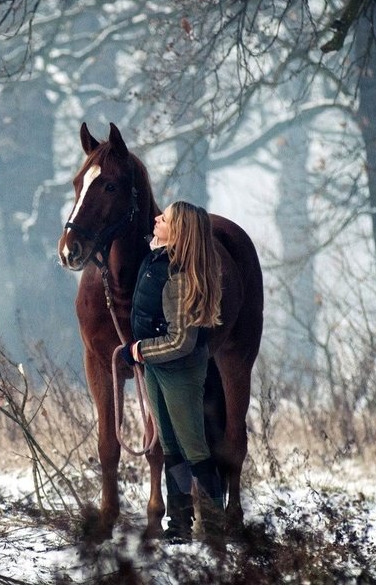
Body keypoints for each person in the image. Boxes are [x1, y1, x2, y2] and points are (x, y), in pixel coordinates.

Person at [120, 201, 224, 545]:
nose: (156, 219)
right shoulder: (157, 260)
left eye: (163, 219)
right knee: (171, 448)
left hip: (178, 369)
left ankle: (215, 529)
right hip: (157, 367)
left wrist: (139, 350)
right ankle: (179, 524)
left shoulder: (178, 276)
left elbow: (181, 341)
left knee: (194, 448)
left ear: (177, 232)